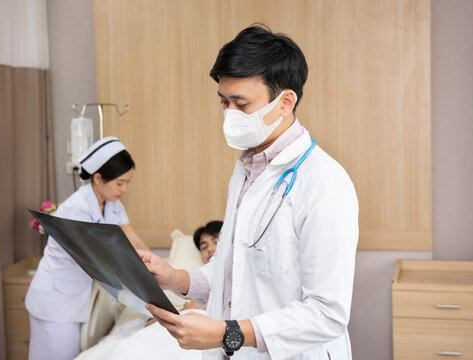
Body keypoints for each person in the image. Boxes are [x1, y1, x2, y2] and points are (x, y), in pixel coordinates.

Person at [139, 25, 359, 359]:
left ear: (285, 101)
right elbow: (235, 266)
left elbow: (327, 313)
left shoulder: (324, 183)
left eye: (241, 104)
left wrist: (227, 333)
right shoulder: (246, 169)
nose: (229, 115)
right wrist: (176, 277)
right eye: (224, 103)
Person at [25, 136, 150, 360]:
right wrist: (144, 284)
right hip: (55, 300)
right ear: (98, 178)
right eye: (120, 183)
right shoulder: (76, 210)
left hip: (73, 298)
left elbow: (133, 238)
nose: (124, 189)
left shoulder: (112, 202)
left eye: (128, 182)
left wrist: (164, 268)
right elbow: (102, 258)